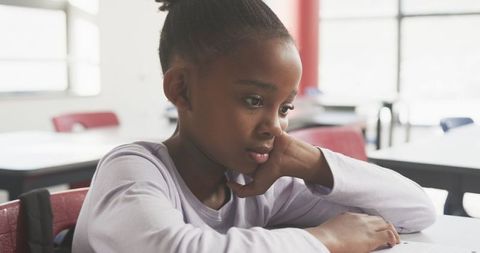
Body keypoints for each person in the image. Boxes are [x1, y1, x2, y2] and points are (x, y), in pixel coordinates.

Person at [72, 0, 436, 252]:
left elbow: (415, 212)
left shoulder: (258, 184)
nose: (276, 128)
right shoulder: (133, 169)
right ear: (181, 89)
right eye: (254, 101)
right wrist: (327, 240)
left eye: (285, 108)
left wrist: (314, 163)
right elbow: (173, 249)